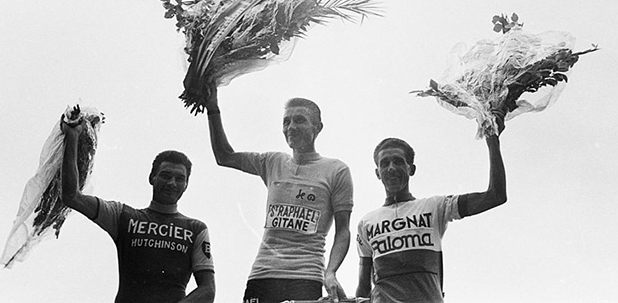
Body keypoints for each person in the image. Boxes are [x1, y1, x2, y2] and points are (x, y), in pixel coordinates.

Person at [205, 88, 353, 303]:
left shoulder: (336, 170)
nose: (291, 127)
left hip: (305, 276)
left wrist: (330, 272)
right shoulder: (272, 162)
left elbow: (343, 230)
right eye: (286, 122)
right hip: (262, 275)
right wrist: (212, 107)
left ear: (317, 128)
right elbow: (224, 156)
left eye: (299, 120)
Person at [355, 114, 507, 302]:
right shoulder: (366, 223)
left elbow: (495, 196)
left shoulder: (435, 207)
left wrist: (492, 138)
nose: (391, 168)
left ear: (412, 169)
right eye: (384, 163)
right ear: (377, 173)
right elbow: (363, 288)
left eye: (398, 161)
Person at [60, 119, 216, 303]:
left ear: (186, 185)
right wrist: (72, 136)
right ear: (152, 177)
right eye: (166, 175)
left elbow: (208, 290)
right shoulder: (123, 216)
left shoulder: (196, 229)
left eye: (179, 178)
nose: (172, 183)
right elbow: (72, 196)